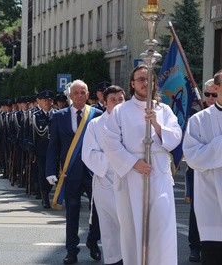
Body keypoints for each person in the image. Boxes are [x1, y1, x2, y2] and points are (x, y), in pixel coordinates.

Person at [103, 65, 182, 264]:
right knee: (134, 227)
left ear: (155, 83)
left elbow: (175, 137)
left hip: (160, 175)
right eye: (140, 79)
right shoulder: (121, 110)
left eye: (149, 79)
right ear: (132, 84)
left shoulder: (164, 109)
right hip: (132, 176)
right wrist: (133, 163)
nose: (145, 83)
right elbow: (110, 141)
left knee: (161, 226)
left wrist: (156, 124)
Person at [45, 80, 103, 264]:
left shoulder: (97, 115)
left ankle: (93, 241)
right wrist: (50, 170)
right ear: (70, 95)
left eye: (83, 92)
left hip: (94, 173)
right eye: (76, 92)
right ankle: (71, 251)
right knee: (72, 214)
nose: (79, 95)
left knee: (98, 212)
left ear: (88, 95)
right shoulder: (59, 116)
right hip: (70, 173)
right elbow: (53, 146)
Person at [82, 85, 125, 265]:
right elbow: (88, 153)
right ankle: (114, 260)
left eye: (120, 100)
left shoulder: (132, 122)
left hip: (130, 181)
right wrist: (115, 157)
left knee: (130, 226)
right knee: (109, 228)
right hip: (105, 182)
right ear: (105, 103)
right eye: (112, 100)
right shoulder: (95, 124)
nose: (116, 103)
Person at [183, 70, 222, 263]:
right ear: (216, 88)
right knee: (213, 255)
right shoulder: (199, 120)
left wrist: (212, 149)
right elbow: (192, 158)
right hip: (211, 200)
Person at [30, 90, 55, 209]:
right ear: (40, 102)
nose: (47, 102)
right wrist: (30, 146)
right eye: (45, 100)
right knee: (42, 174)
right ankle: (44, 196)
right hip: (41, 150)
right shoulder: (35, 116)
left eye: (49, 100)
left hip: (55, 150)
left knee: (54, 173)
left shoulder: (57, 115)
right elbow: (30, 133)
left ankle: (49, 190)